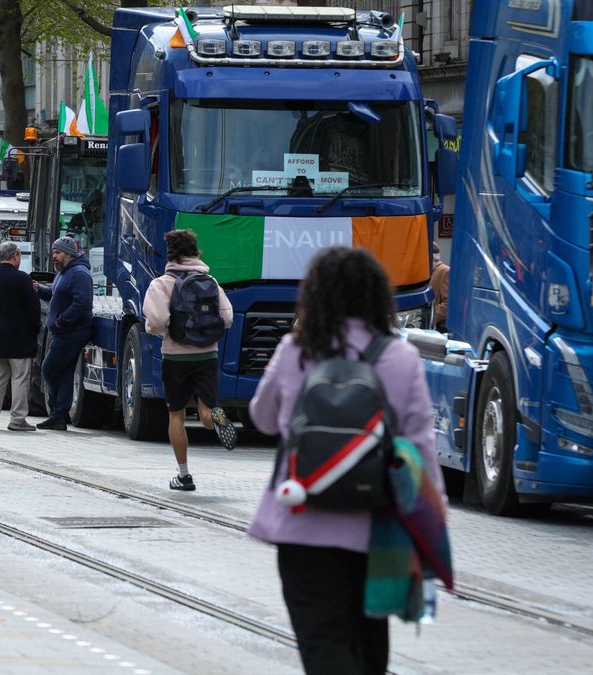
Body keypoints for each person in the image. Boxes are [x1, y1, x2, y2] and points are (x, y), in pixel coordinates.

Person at [246, 246, 441, 675]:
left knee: (324, 644)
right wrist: (430, 530)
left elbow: (261, 418)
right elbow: (423, 448)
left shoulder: (294, 349)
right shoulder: (401, 357)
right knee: (369, 647)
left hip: (301, 524)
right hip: (377, 529)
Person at [142, 229, 236, 491]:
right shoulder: (210, 281)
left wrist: (158, 330)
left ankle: (183, 476)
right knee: (205, 410)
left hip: (175, 357)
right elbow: (227, 318)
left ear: (170, 254)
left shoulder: (161, 284)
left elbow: (157, 320)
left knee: (176, 414)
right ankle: (214, 416)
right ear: (196, 252)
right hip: (207, 354)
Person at [0, 241, 41, 432]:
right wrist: (34, 328)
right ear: (15, 257)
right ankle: (17, 420)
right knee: (19, 378)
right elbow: (33, 308)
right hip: (21, 338)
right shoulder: (23, 279)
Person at [34, 236, 93, 431]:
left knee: (49, 368)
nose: (54, 257)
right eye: (53, 253)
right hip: (63, 332)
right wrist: (39, 289)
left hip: (71, 332)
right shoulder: (63, 272)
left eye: (57, 253)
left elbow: (82, 303)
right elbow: (54, 293)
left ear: (69, 254)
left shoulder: (79, 274)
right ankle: (59, 415)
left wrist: (61, 320)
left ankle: (58, 410)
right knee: (64, 372)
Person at [429, 241, 450, 333]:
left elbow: (448, 303)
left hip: (439, 327)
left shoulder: (444, 271)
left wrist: (429, 317)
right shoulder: (429, 271)